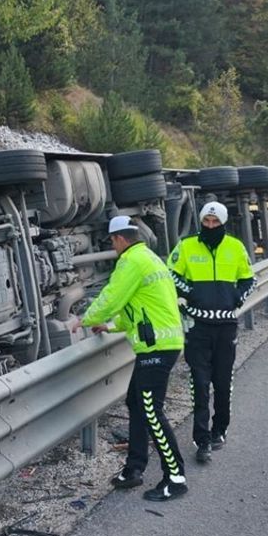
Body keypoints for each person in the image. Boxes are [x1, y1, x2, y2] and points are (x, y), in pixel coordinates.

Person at [71, 215, 188, 501]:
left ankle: (175, 478)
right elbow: (138, 306)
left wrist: (85, 319)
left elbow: (112, 297)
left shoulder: (130, 261)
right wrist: (110, 327)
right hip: (161, 343)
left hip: (157, 347)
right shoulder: (149, 257)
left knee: (151, 410)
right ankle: (133, 469)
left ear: (120, 239)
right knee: (136, 402)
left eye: (112, 241)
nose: (113, 246)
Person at [168, 201, 254, 464]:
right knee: (200, 384)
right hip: (197, 327)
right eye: (207, 221)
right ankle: (202, 440)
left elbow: (249, 278)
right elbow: (170, 275)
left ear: (223, 223)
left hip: (226, 327)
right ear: (201, 221)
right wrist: (191, 293)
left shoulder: (236, 247)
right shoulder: (186, 245)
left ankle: (220, 430)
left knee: (223, 382)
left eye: (215, 223)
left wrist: (236, 298)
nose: (210, 226)